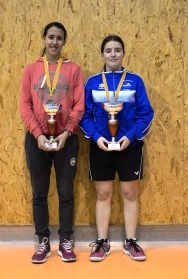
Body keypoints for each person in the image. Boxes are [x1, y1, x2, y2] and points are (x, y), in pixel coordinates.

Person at [80, 35, 154, 262]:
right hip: (101, 145)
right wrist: (95, 137)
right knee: (103, 193)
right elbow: (83, 115)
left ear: (123, 53)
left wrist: (130, 137)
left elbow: (146, 114)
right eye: (108, 50)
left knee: (130, 193)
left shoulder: (135, 80)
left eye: (117, 50)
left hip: (129, 146)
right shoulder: (92, 82)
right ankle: (102, 243)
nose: (113, 54)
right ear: (102, 54)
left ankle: (130, 242)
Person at [20, 22, 85, 264]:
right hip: (36, 139)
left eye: (59, 38)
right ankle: (43, 242)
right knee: (39, 193)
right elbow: (24, 104)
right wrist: (37, 134)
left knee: (66, 192)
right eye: (50, 37)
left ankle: (66, 240)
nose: (54, 42)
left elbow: (79, 104)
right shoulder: (30, 69)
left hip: (65, 139)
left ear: (64, 41)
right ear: (44, 39)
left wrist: (67, 132)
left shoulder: (73, 69)